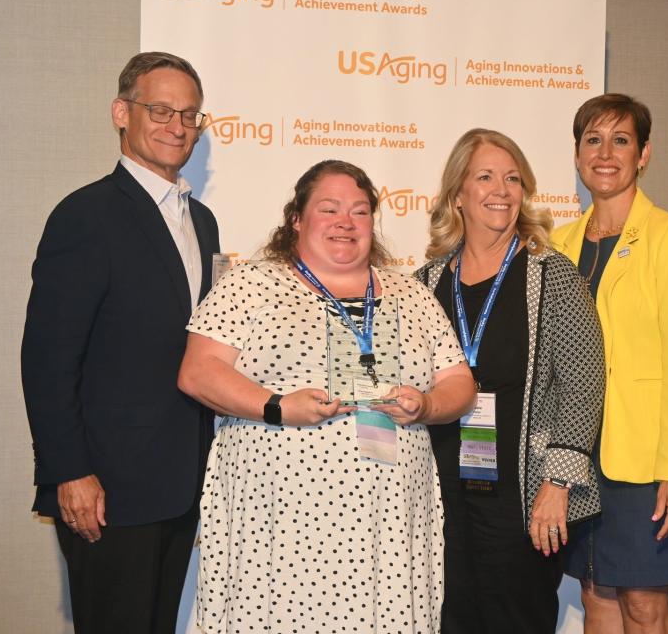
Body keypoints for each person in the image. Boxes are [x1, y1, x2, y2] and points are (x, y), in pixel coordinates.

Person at [177, 159, 476, 633]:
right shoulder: (252, 283)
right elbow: (198, 372)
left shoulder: (411, 293)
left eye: (359, 211)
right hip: (280, 516)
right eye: (329, 209)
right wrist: (277, 405)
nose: (345, 222)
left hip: (389, 519)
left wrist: (428, 404)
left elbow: (459, 381)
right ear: (296, 218)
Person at [20, 52, 219, 633]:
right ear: (121, 114)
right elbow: (47, 360)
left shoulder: (202, 221)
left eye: (189, 115)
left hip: (180, 484)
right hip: (106, 490)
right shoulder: (85, 216)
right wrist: (69, 472)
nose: (176, 127)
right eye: (160, 110)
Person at [414, 128, 604, 634]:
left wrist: (557, 483)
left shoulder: (552, 275)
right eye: (485, 176)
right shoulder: (427, 283)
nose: (502, 189)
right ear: (458, 194)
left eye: (513, 178)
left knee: (516, 619)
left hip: (523, 496)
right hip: (444, 494)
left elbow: (583, 384)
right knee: (450, 619)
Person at [553, 94, 668, 634]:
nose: (606, 153)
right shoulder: (557, 245)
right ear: (577, 156)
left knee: (645, 606)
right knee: (595, 593)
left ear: (644, 154)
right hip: (580, 453)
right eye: (593, 140)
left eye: (620, 140)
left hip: (649, 462)